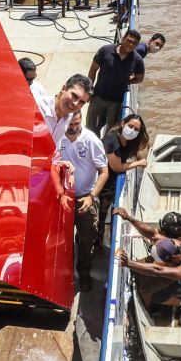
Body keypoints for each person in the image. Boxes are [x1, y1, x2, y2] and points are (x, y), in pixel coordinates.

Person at [52, 111, 109, 292]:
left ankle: (84, 273)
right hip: (62, 198)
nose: (74, 127)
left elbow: (104, 171)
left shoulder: (91, 140)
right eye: (71, 124)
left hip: (85, 197)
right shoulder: (56, 137)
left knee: (86, 240)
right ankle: (64, 273)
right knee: (62, 239)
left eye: (77, 123)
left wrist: (92, 196)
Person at [95, 114, 149, 248]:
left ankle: (97, 240)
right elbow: (117, 167)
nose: (132, 130)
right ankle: (95, 243)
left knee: (103, 213)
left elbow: (135, 151)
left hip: (112, 181)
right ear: (123, 123)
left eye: (136, 129)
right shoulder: (111, 140)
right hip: (102, 182)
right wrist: (139, 163)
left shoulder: (130, 140)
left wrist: (138, 156)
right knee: (99, 216)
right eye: (130, 126)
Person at [86, 30, 145, 137]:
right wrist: (89, 91)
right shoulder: (105, 50)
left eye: (134, 43)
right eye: (129, 40)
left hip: (116, 103)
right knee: (91, 127)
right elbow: (93, 69)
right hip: (98, 97)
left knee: (111, 131)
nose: (131, 44)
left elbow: (139, 78)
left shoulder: (137, 60)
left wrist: (125, 81)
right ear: (123, 38)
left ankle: (104, 150)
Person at [36, 74, 94, 148]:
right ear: (64, 89)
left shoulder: (69, 116)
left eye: (82, 102)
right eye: (74, 96)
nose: (76, 103)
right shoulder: (36, 105)